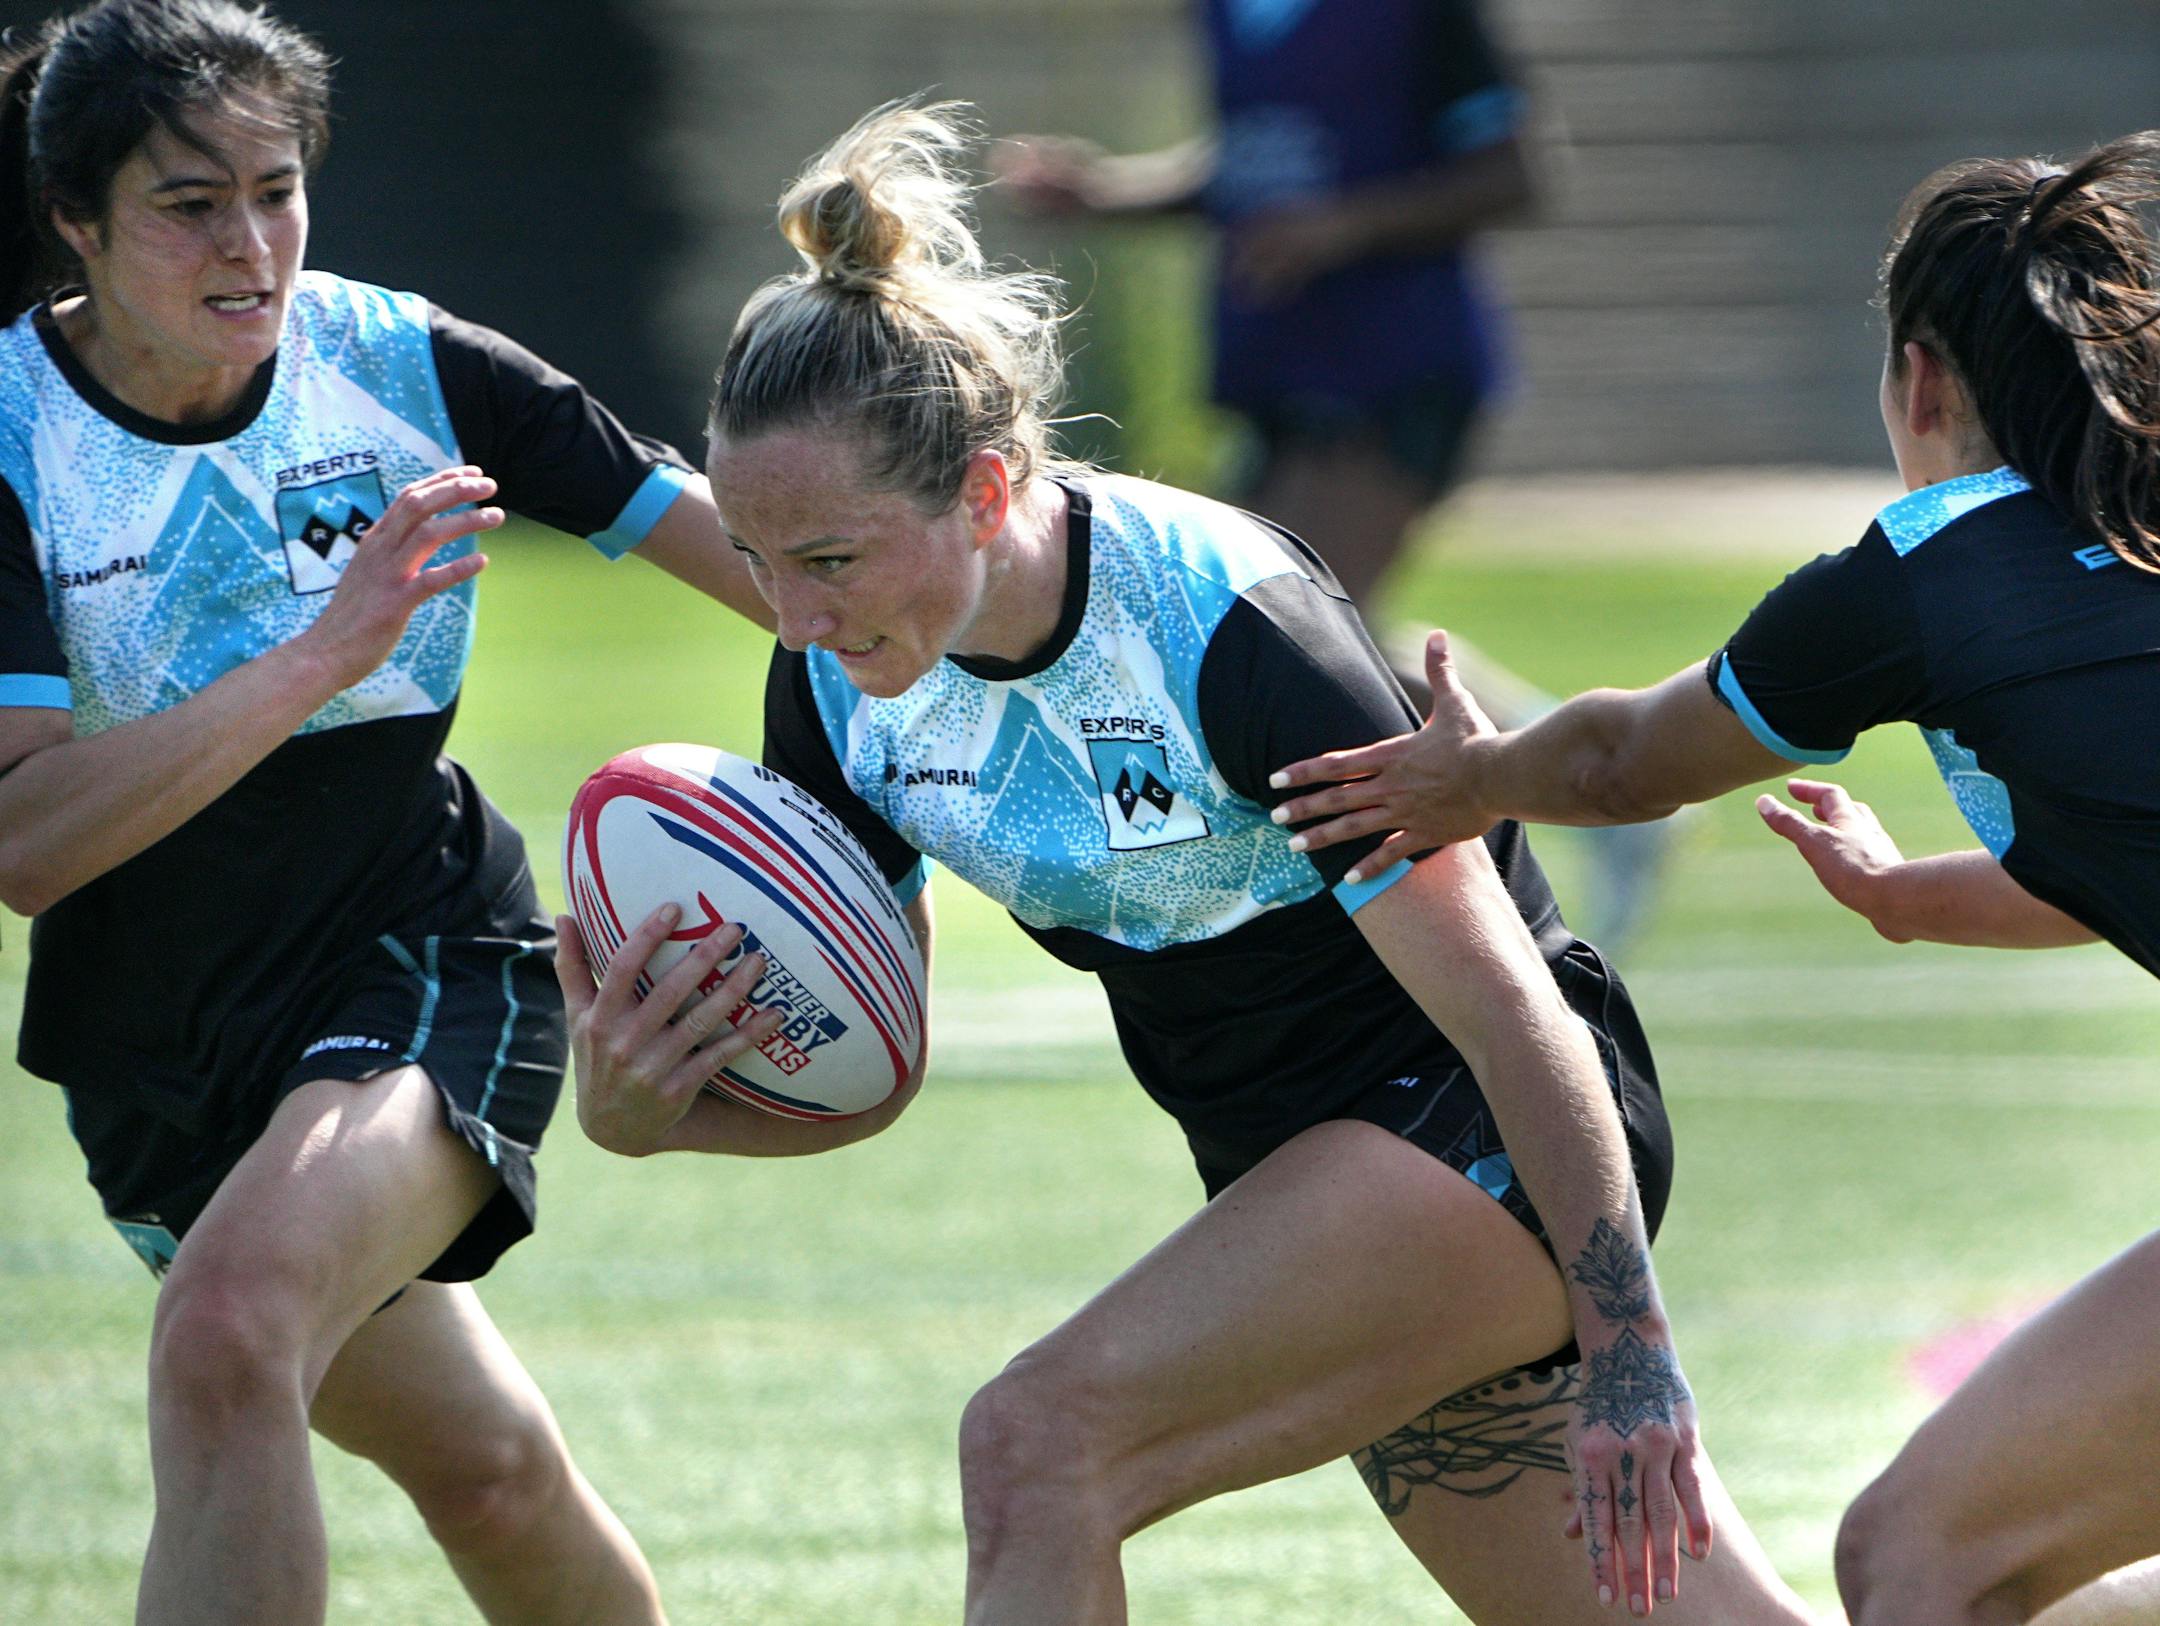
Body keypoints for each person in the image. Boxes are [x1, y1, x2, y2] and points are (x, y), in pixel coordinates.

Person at [560, 100, 1821, 1626]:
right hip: (1286, 1183)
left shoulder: (1225, 631)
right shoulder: (840, 684)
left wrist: (1633, 1348)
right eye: (757, 563)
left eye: (829, 557)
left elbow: (1510, 1013)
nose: (796, 613)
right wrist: (661, 1117)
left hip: (1491, 1136)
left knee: (1036, 1445)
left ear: (982, 488)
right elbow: (870, 1064)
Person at [1268, 132, 2160, 1625]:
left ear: (1921, 381)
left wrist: (1471, 778)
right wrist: (1910, 893)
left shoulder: (1929, 570)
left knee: (1921, 1559)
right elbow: (2105, 861)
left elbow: (1625, 762)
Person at [0, 3, 769, 1621]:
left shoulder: (403, 364)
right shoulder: (10, 433)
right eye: (189, 202)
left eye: (278, 189)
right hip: (155, 1036)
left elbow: (774, 576)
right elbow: (30, 844)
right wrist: (320, 650)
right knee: (486, 1469)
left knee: (228, 1332)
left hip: (421, 956)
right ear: (72, 216)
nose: (252, 244)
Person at [995, 0, 1678, 949]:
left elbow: (1513, 170)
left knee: (1277, 636)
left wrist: (1341, 228)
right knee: (1291, 634)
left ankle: (1487, 861)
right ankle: (1593, 763)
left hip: (1392, 368)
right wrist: (1111, 193)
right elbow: (1255, 160)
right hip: (1279, 371)